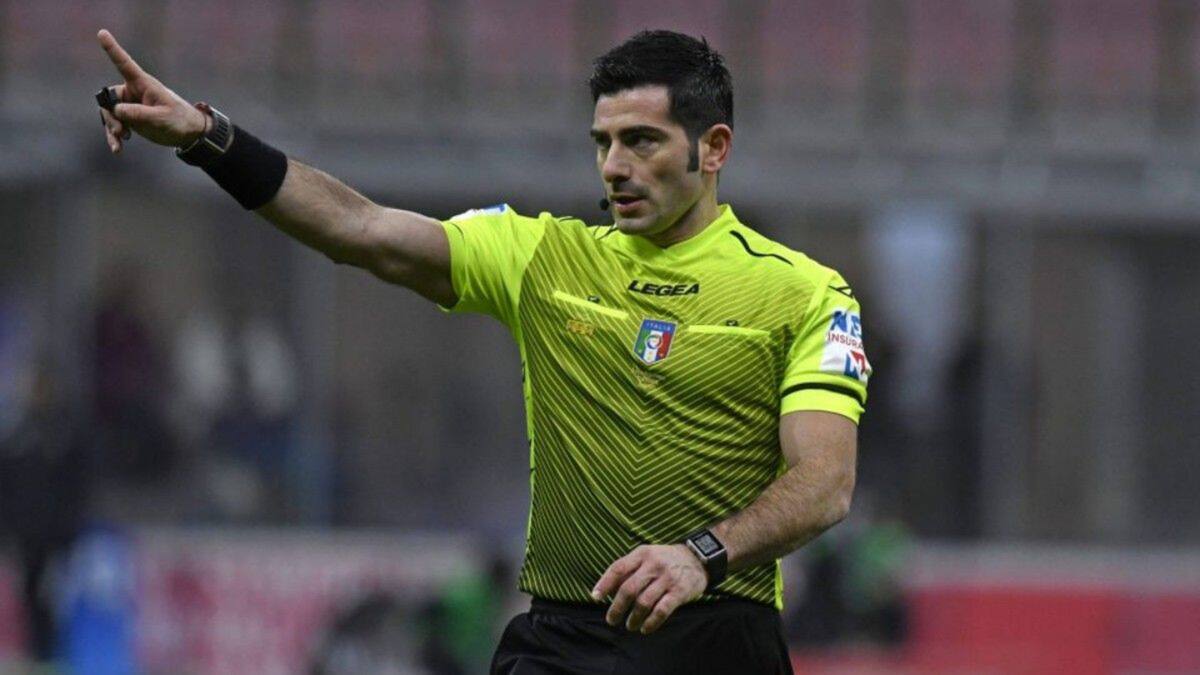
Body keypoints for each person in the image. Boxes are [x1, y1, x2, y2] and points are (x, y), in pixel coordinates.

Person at [95, 28, 870, 675]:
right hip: (565, 636)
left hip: (720, 637)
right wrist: (206, 138)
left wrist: (700, 555)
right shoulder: (543, 256)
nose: (614, 165)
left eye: (642, 140)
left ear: (714, 148)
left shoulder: (803, 294)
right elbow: (358, 229)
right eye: (602, 142)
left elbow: (825, 482)